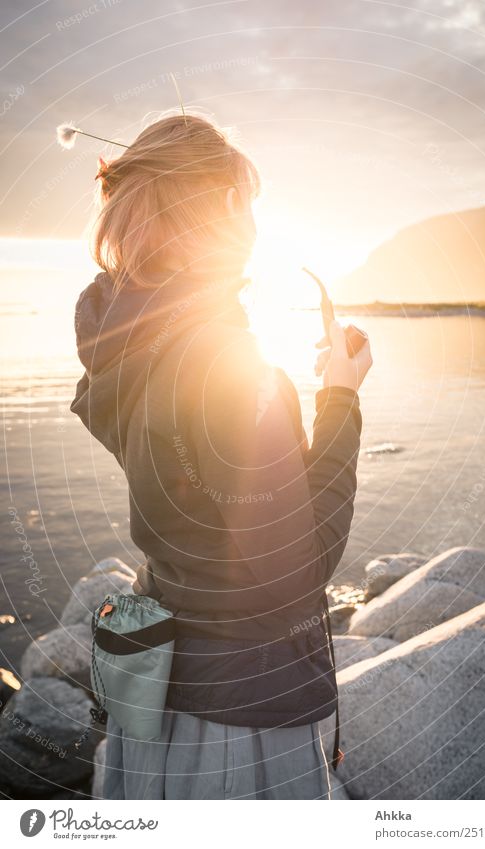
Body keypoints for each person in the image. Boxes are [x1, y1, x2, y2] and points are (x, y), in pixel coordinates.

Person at [70, 113, 372, 800]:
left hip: (155, 688)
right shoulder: (223, 360)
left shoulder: (125, 350)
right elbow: (296, 569)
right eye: (250, 204)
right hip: (241, 715)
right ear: (229, 207)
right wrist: (341, 402)